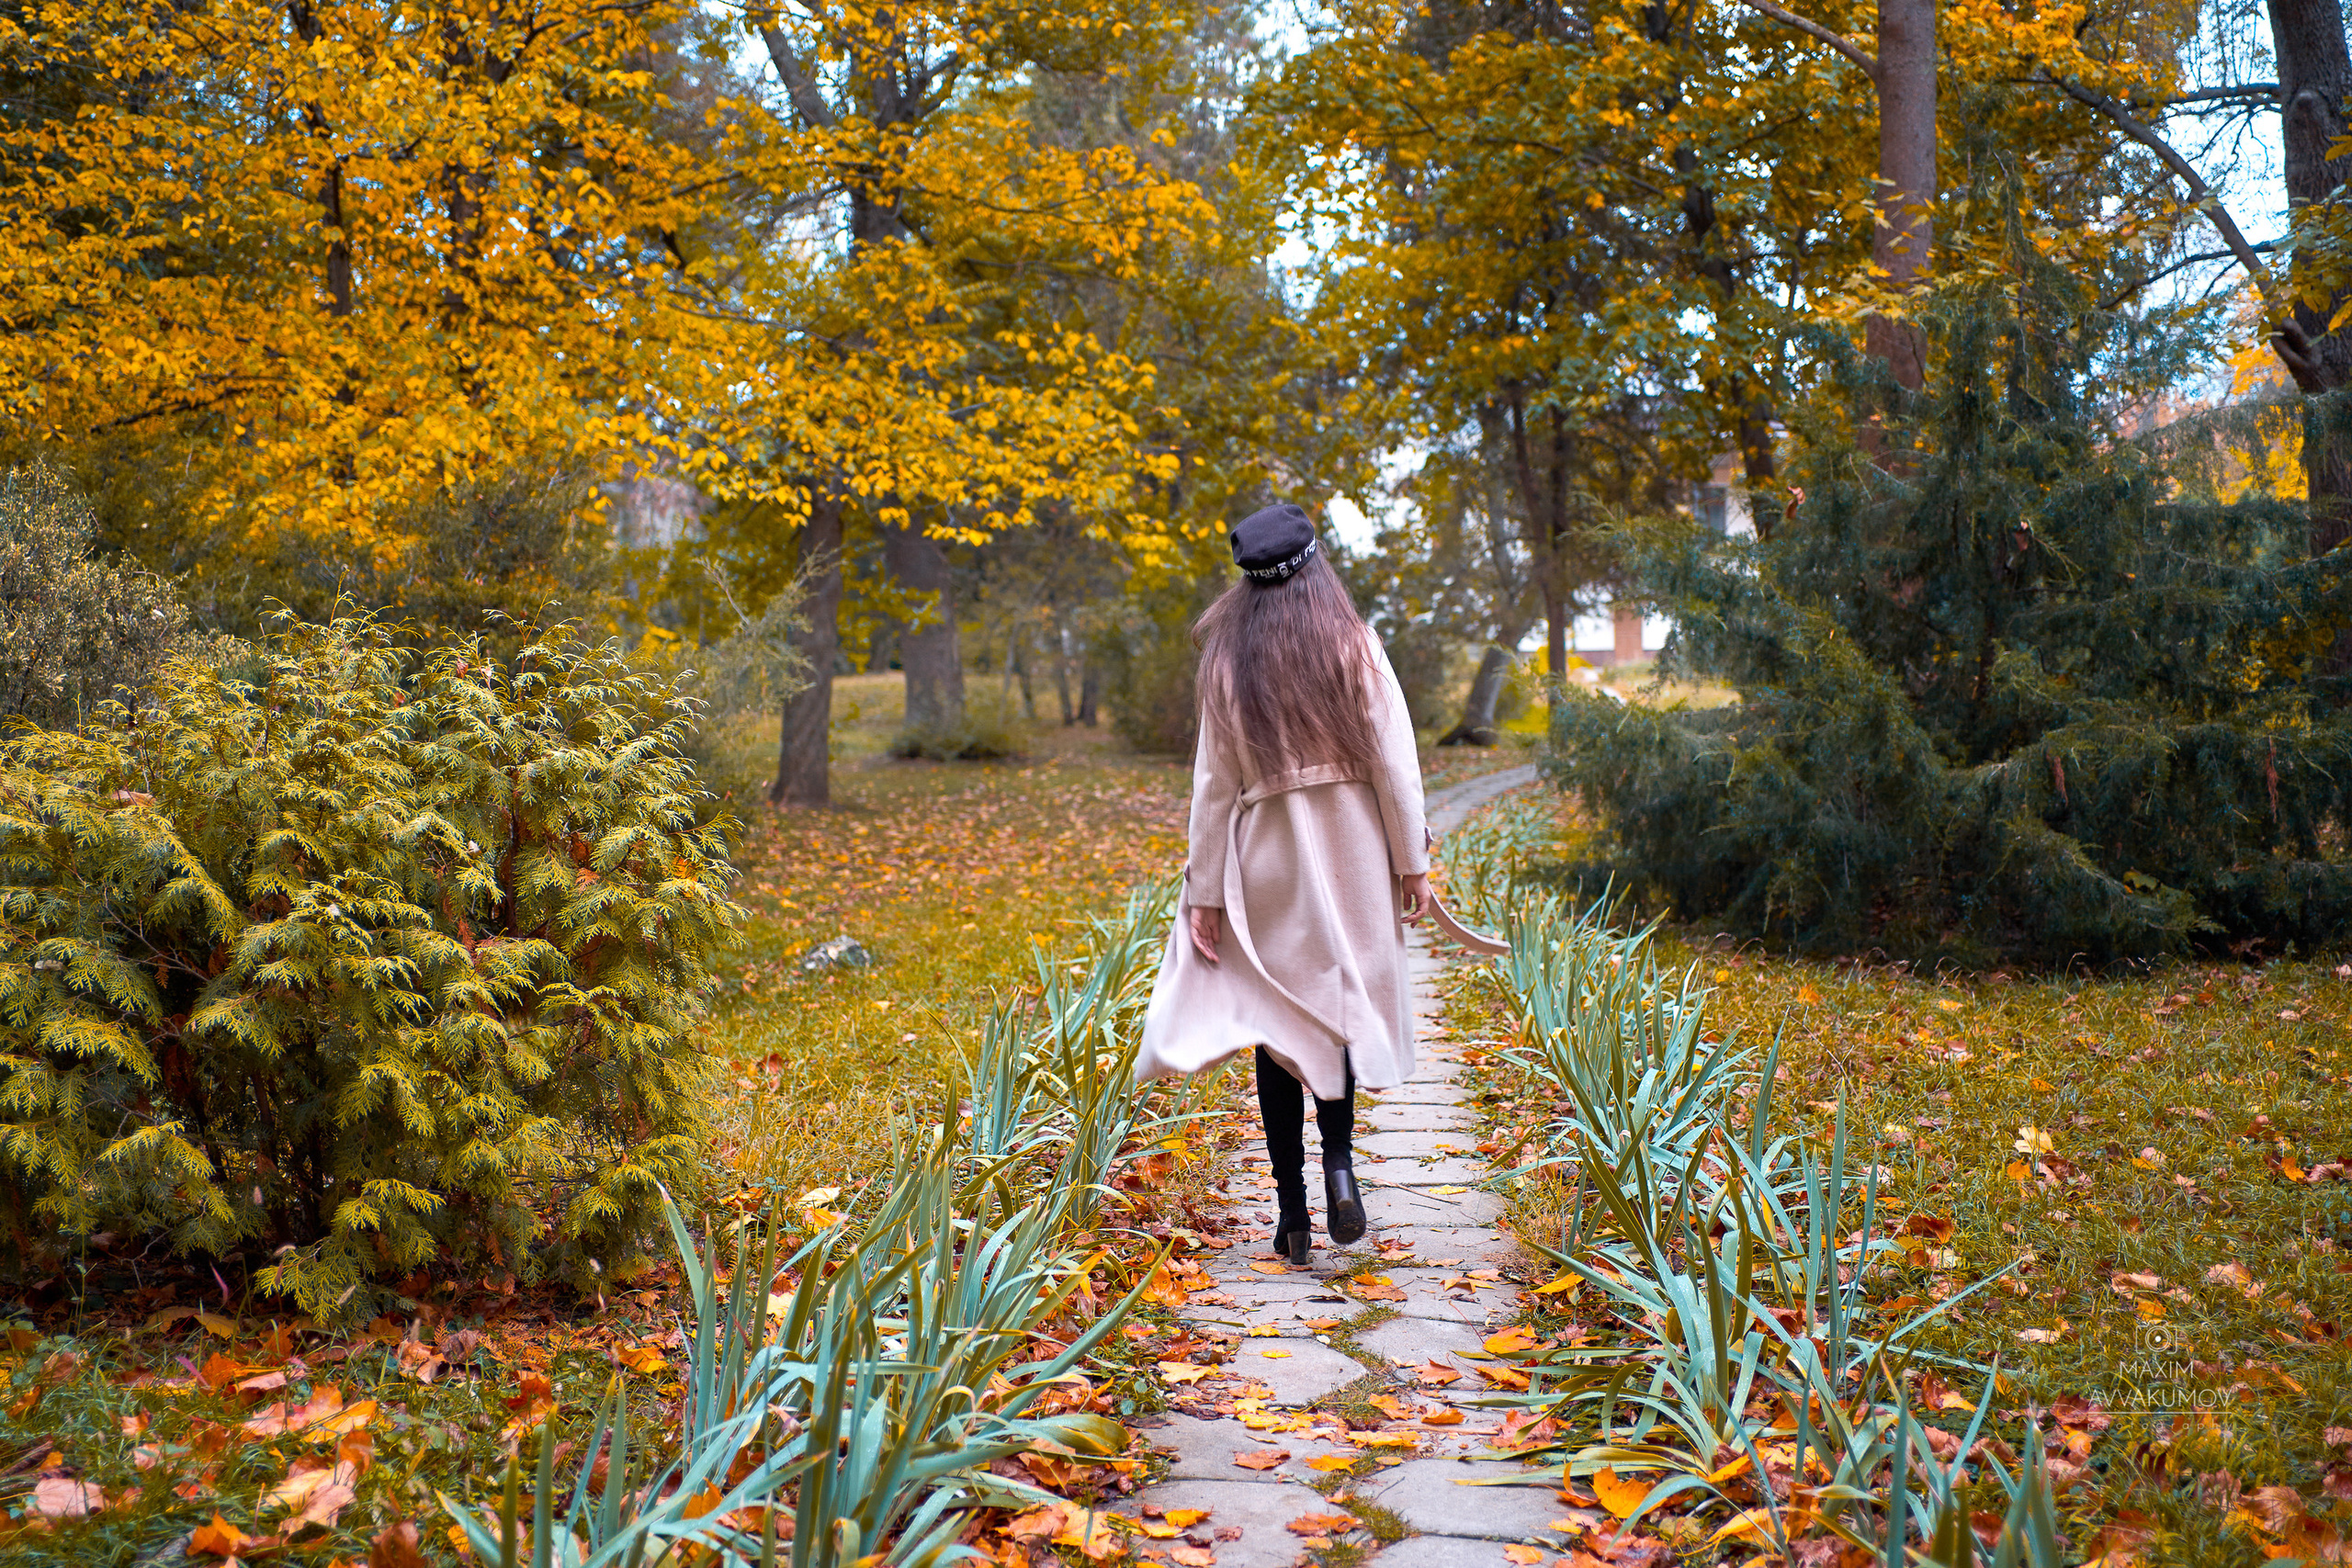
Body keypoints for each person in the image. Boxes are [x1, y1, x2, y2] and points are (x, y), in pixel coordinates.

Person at [1136, 502, 1430, 1265]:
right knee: (1333, 1014)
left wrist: (1205, 890)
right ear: (1316, 568)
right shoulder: (1357, 648)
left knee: (1278, 1029)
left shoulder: (1230, 664)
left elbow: (1212, 785)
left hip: (1268, 859)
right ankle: (1341, 1164)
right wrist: (1412, 863)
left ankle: (1291, 1212)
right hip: (1352, 852)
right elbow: (1395, 767)